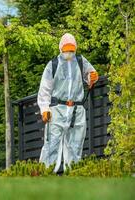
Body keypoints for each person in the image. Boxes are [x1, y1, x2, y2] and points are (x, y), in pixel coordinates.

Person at [37, 33, 99, 173]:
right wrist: (44, 109)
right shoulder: (53, 64)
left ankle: (73, 177)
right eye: (66, 50)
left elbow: (90, 74)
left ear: (75, 49)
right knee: (51, 145)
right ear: (61, 49)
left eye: (71, 50)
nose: (69, 53)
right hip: (57, 110)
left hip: (76, 110)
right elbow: (45, 89)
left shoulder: (80, 61)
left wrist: (92, 77)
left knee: (76, 146)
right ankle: (44, 176)